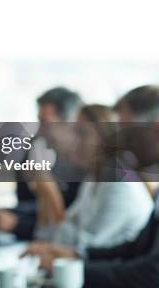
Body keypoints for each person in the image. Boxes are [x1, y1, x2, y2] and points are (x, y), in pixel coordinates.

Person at [22, 85, 159, 288]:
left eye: (125, 128)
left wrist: (71, 267)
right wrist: (76, 255)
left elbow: (152, 274)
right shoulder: (95, 180)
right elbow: (136, 249)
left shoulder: (119, 184)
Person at [39, 105, 153, 248]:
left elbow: (87, 246)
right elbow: (65, 227)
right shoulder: (92, 179)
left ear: (104, 139)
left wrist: (50, 192)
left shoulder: (119, 185)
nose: (73, 140)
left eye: (81, 133)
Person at [0, 87, 84, 239]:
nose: (40, 131)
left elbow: (68, 223)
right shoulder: (40, 154)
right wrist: (9, 213)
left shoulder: (84, 169)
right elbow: (28, 202)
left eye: (45, 122)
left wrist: (18, 223)